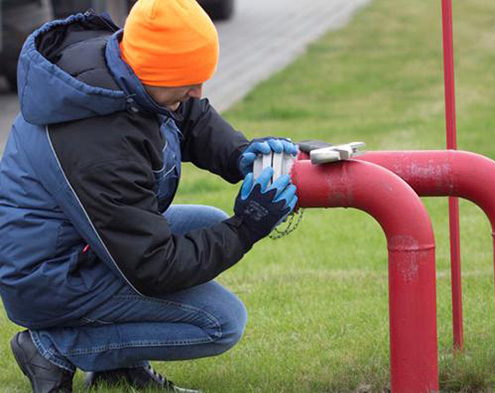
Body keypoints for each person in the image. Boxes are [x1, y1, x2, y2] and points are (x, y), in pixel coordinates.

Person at [0, 0, 299, 392]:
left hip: (76, 247)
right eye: (188, 80)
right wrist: (246, 227)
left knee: (207, 221)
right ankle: (53, 347)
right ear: (153, 70)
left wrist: (239, 154)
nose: (198, 90)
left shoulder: (125, 71)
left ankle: (117, 365)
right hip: (51, 277)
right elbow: (153, 267)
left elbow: (189, 115)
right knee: (221, 323)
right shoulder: (99, 140)